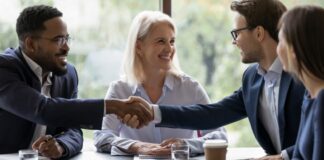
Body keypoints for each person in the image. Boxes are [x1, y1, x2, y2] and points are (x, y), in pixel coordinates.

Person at [125, 0, 306, 159]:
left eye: (236, 33)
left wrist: (284, 156)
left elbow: (317, 134)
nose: (234, 42)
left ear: (259, 33)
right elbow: (212, 114)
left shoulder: (305, 75)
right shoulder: (252, 79)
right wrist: (152, 112)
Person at [0, 5, 152, 159]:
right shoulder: (3, 69)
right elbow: (42, 109)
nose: (66, 47)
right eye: (58, 40)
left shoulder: (68, 74)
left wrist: (61, 145)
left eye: (67, 38)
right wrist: (113, 106)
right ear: (31, 44)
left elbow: (74, 130)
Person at [93, 11, 227, 156]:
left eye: (172, 41)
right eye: (161, 41)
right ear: (139, 47)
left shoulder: (190, 88)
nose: (169, 49)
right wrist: (138, 147)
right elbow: (102, 137)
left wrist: (184, 145)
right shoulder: (120, 90)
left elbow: (219, 135)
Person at [277, 5, 324, 159]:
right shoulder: (310, 94)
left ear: (295, 49)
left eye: (280, 40)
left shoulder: (322, 100)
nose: (277, 49)